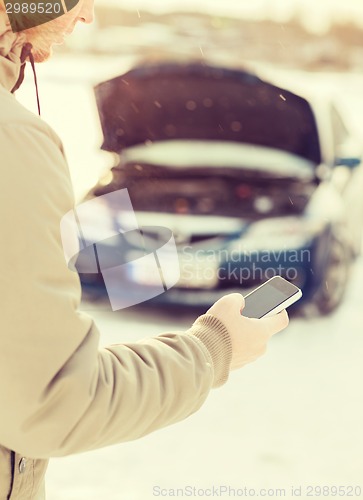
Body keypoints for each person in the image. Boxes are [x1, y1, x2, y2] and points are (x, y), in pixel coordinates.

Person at [0, 1, 289, 498]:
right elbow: (55, 406)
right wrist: (216, 347)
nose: (86, 17)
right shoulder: (14, 139)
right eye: (76, 0)